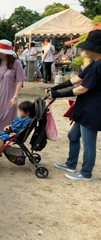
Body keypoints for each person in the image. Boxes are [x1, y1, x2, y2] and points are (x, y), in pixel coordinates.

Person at [47, 30, 101, 181]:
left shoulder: (99, 65)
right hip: (85, 107)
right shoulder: (94, 63)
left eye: (87, 47)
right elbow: (77, 78)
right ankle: (71, 164)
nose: (84, 50)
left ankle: (86, 173)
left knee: (88, 143)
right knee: (73, 135)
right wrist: (56, 88)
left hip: (93, 109)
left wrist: (59, 95)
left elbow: (83, 88)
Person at [0, 40, 26, 133]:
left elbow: (20, 80)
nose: (0, 54)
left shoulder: (16, 63)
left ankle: (3, 141)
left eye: (3, 52)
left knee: (8, 120)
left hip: (9, 96)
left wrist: (15, 97)